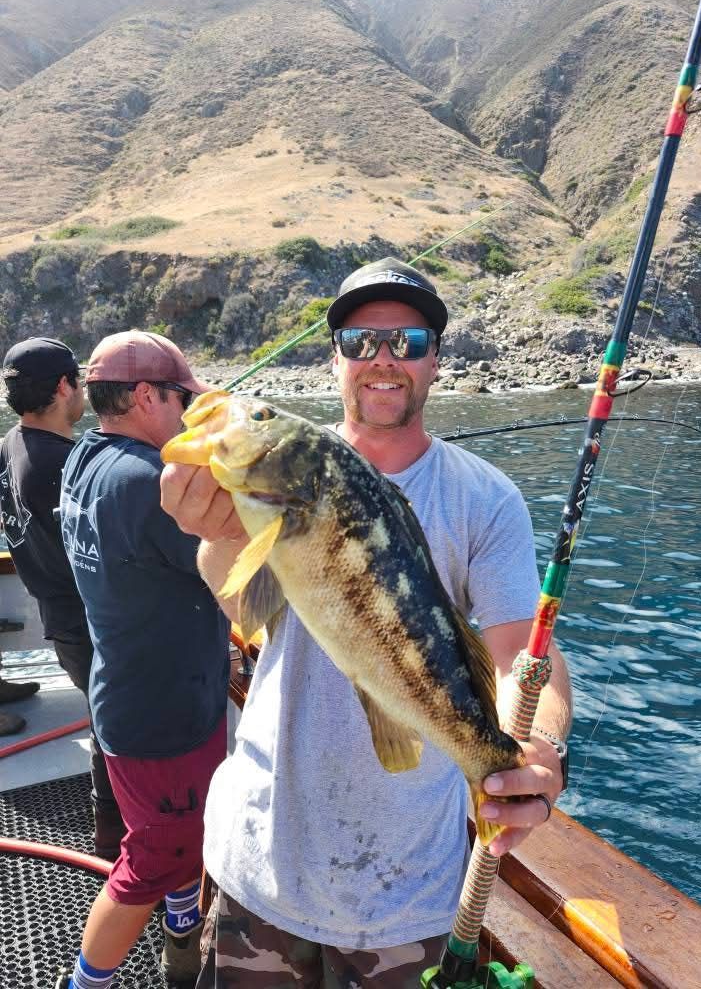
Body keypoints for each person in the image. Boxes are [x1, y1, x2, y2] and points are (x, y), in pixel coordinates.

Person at [160, 258, 573, 989]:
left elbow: (518, 650)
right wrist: (218, 532)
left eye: (407, 341)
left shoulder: (486, 497)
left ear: (436, 360)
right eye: (360, 341)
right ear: (336, 359)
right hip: (263, 860)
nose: (383, 359)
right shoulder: (285, 479)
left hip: (409, 888)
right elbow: (246, 615)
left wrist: (534, 750)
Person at [55, 332, 231, 989]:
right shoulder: (149, 485)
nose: (191, 408)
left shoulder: (87, 460)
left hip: (126, 694)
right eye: (182, 396)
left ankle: (181, 932)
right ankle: (85, 983)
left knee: (179, 847)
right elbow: (237, 563)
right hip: (166, 719)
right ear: (147, 395)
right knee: (148, 865)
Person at [0, 337, 124, 849]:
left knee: (105, 719)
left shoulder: (12, 444)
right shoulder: (65, 466)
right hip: (90, 621)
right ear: (62, 387)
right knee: (114, 731)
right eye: (79, 379)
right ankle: (113, 838)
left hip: (59, 617)